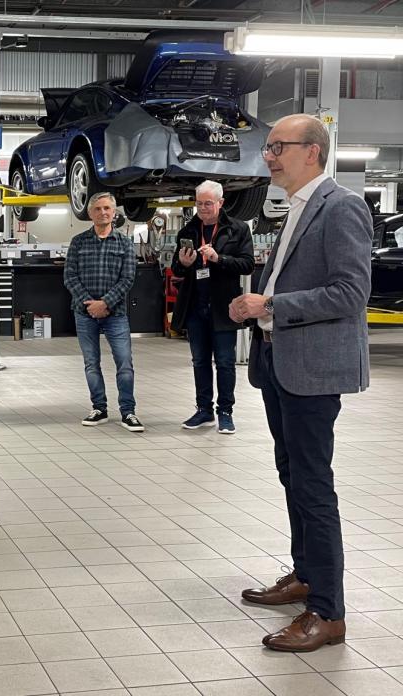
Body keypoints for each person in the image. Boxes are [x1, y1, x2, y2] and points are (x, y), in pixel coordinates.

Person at [230, 114, 371, 652]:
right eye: (267, 147)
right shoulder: (295, 209)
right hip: (279, 364)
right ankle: (306, 573)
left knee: (313, 487)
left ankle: (328, 613)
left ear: (311, 151)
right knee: (292, 475)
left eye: (276, 147)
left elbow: (350, 293)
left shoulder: (341, 208)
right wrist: (258, 306)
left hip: (313, 371)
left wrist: (271, 304)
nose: (267, 155)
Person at [171, 180, 254, 434]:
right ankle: (204, 410)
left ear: (220, 203)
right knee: (200, 362)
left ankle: (225, 412)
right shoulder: (188, 230)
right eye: (199, 204)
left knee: (226, 363)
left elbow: (248, 264)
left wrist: (220, 258)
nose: (203, 209)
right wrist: (184, 264)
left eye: (208, 203)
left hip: (223, 307)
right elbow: (175, 268)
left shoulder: (237, 230)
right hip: (196, 307)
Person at [64, 192, 144, 432]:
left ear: (114, 212)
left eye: (107, 208)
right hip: (83, 312)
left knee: (124, 363)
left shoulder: (125, 243)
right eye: (98, 209)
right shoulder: (78, 242)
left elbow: (128, 278)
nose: (103, 212)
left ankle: (128, 412)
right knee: (91, 363)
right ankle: (99, 408)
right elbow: (69, 276)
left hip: (116, 313)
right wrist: (90, 303)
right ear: (90, 213)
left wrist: (105, 303)